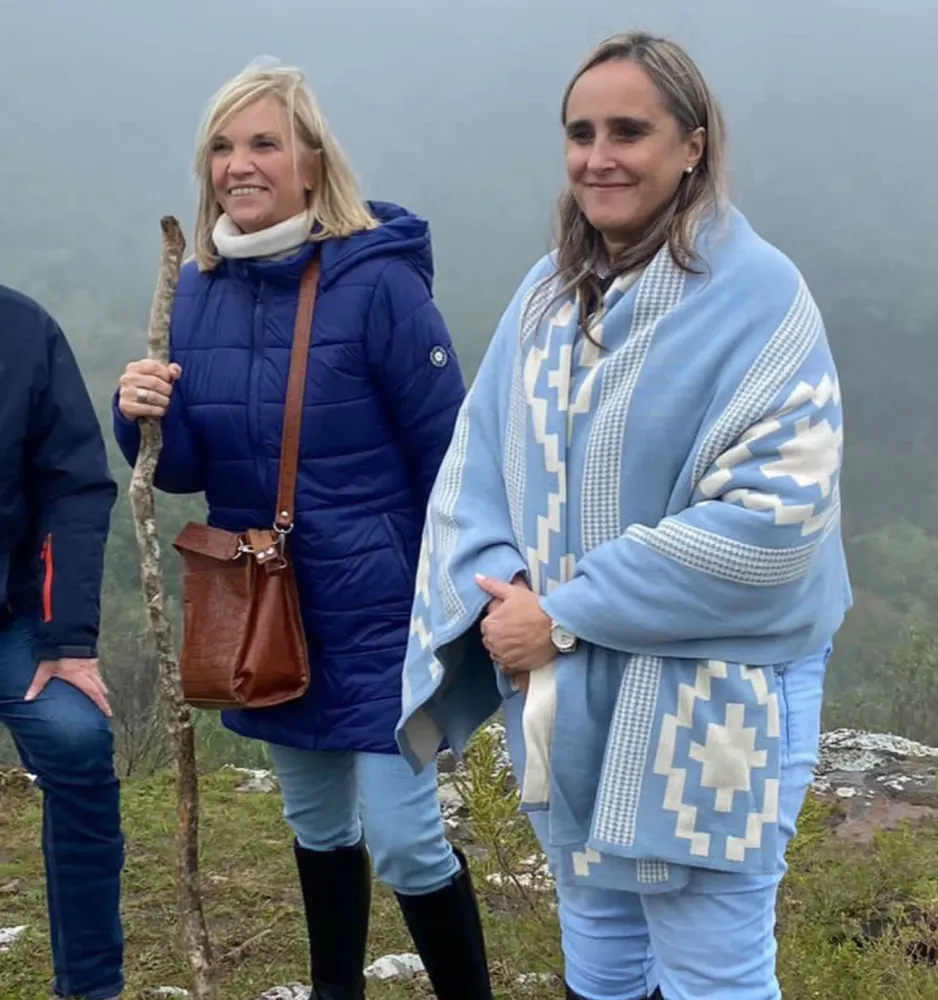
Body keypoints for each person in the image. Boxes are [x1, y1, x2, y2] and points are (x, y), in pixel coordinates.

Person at [397, 31, 851, 1000]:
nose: (598, 155)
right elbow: (477, 466)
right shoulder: (546, 294)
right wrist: (502, 594)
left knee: (713, 972)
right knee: (598, 959)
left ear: (691, 144)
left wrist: (560, 609)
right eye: (580, 131)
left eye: (628, 131)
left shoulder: (759, 297)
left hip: (713, 699)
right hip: (566, 697)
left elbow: (777, 517)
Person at [111, 62, 492, 1000]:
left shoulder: (379, 285)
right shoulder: (199, 288)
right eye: (223, 147)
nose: (238, 165)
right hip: (267, 605)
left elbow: (455, 454)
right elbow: (196, 469)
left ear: (314, 163)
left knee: (406, 839)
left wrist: (463, 600)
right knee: (319, 824)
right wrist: (141, 413)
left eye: (264, 144)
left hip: (381, 608)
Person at [0, 284, 122, 1000]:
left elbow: (74, 485)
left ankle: (91, 986)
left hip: (14, 614)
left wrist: (67, 639)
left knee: (77, 741)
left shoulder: (21, 329)